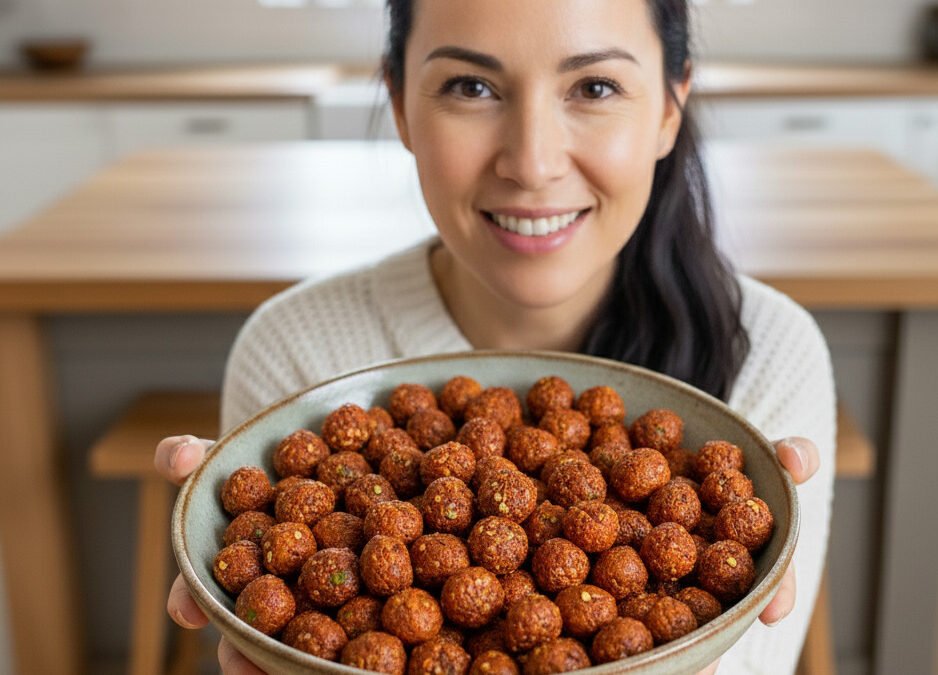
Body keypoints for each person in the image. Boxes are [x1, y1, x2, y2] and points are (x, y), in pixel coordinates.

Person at [155, 0, 835, 673]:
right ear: (399, 105)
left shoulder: (768, 352)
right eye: (471, 86)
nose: (532, 163)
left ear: (668, 105)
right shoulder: (293, 349)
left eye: (594, 86)